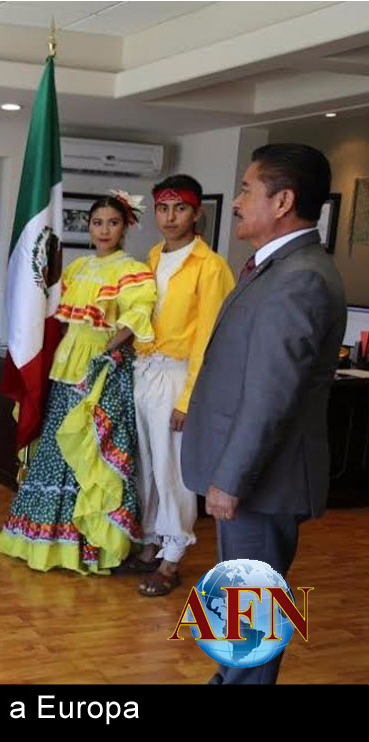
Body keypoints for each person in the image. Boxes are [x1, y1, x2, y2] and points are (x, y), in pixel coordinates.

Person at [181, 144, 346, 685]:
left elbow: (271, 394)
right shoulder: (275, 267)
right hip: (252, 473)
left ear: (283, 201)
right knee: (240, 594)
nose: (237, 201)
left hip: (261, 478)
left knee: (254, 603)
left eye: (247, 190)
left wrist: (230, 478)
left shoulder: (299, 278)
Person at [0, 193, 156, 574]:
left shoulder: (132, 270)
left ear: (125, 227)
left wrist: (105, 355)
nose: (104, 230)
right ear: (88, 226)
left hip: (100, 368)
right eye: (97, 222)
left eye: (112, 223)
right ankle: (45, 537)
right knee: (57, 447)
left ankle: (89, 543)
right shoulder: (78, 267)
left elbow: (135, 319)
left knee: (89, 450)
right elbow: (57, 317)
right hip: (66, 365)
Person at [125, 175, 235, 597]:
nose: (171, 218)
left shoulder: (210, 267)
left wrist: (190, 398)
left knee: (172, 469)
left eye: (181, 209)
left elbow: (210, 338)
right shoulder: (152, 256)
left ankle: (172, 559)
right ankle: (151, 541)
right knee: (148, 467)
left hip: (178, 376)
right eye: (164, 209)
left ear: (197, 212)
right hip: (145, 368)